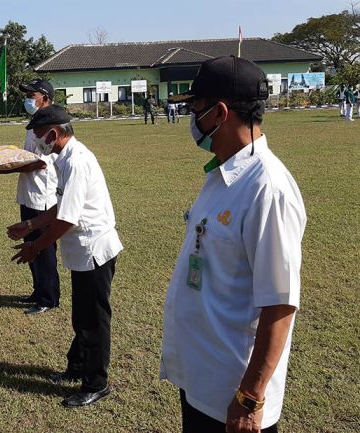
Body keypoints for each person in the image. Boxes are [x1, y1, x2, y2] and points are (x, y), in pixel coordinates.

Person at [162, 56, 306, 433]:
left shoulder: (267, 189)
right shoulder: (222, 174)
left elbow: (280, 303)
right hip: (202, 380)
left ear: (219, 113)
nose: (190, 118)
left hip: (234, 395)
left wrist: (250, 398)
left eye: (194, 107)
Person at [7, 105, 123, 408]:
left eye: (38, 138)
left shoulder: (77, 161)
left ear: (53, 133)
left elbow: (68, 219)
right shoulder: (65, 157)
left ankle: (96, 383)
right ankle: (78, 366)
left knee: (94, 320)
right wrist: (31, 224)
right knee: (82, 315)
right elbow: (62, 207)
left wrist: (36, 246)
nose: (36, 144)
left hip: (94, 249)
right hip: (83, 250)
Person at [12, 79, 61, 314]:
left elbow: (42, 162)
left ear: (46, 99)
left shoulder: (52, 126)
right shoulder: (34, 125)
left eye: (33, 96)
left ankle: (49, 297)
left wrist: (10, 166)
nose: (28, 100)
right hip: (29, 193)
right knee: (31, 245)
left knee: (45, 248)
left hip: (44, 195)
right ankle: (38, 290)